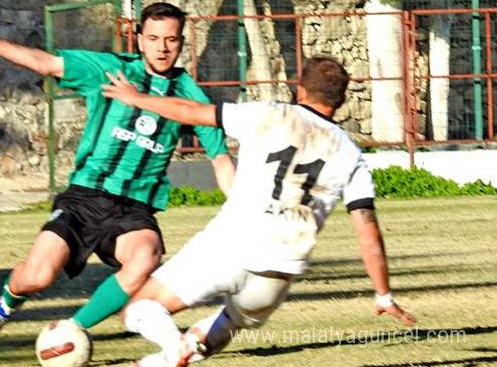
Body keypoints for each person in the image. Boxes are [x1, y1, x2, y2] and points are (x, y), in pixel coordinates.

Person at [0, 2, 236, 348]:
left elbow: (220, 160)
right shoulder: (110, 70)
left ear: (181, 42)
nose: (162, 47)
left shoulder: (190, 97)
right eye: (154, 38)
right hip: (85, 196)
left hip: (133, 210)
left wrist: (244, 212)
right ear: (139, 39)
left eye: (171, 39)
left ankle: (71, 328)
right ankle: (3, 305)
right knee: (37, 276)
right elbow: (48, 63)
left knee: (146, 256)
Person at [100, 56, 417, 366]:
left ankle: (174, 344)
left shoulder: (268, 113)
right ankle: (170, 357)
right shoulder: (351, 154)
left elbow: (190, 111)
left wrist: (136, 98)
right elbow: (368, 232)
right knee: (227, 324)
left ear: (301, 89)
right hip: (280, 271)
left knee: (140, 309)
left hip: (231, 245)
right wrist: (383, 295)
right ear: (342, 99)